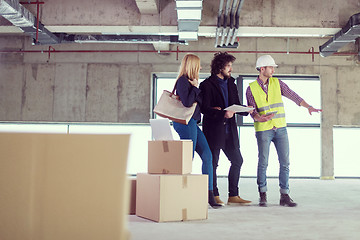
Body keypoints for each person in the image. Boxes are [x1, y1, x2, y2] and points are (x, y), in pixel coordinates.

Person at [246, 55, 322, 207]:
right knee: (263, 162)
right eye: (271, 67)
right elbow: (251, 110)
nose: (273, 70)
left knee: (285, 162)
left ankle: (285, 195)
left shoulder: (277, 83)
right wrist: (258, 118)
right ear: (262, 69)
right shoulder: (251, 88)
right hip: (263, 130)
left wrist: (309, 107)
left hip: (280, 128)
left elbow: (293, 96)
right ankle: (262, 194)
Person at [199, 52, 253, 206]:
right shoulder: (206, 85)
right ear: (220, 67)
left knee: (237, 160)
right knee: (213, 163)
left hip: (230, 130)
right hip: (214, 130)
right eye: (228, 66)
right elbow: (205, 109)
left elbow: (235, 104)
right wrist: (223, 113)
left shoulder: (231, 83)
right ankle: (214, 195)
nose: (231, 69)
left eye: (231, 65)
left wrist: (247, 110)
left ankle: (233, 196)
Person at [172, 53, 222, 208]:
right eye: (198, 65)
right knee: (189, 157)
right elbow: (187, 102)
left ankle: (209, 194)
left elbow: (197, 104)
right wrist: (195, 87)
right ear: (192, 65)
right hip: (184, 122)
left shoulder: (192, 82)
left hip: (193, 122)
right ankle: (180, 192)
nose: (200, 67)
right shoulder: (183, 81)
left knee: (208, 155)